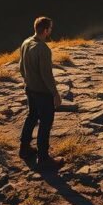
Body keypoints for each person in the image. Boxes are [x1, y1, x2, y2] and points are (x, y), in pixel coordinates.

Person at [18, 16, 63, 170]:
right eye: (50, 28)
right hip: (42, 93)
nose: (51, 31)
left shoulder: (26, 42)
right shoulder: (43, 49)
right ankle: (43, 158)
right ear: (45, 30)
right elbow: (46, 75)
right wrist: (55, 94)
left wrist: (28, 81)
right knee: (45, 123)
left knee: (31, 117)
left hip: (30, 89)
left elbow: (20, 67)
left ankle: (24, 149)